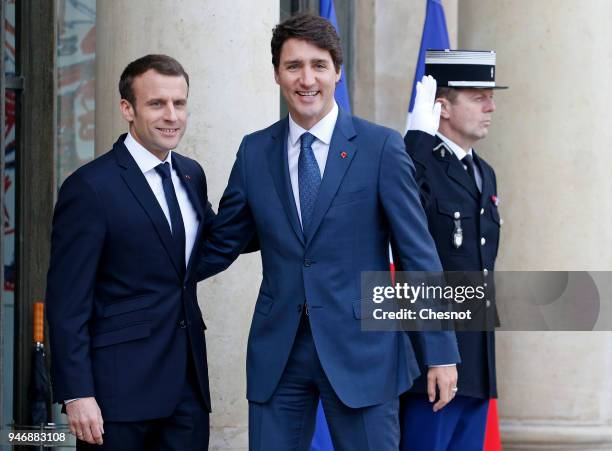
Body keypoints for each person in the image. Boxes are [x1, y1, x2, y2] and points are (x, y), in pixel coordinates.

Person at [197, 14, 460, 451]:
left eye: (318, 65)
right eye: (293, 65)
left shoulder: (381, 148)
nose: (307, 79)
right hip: (278, 355)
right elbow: (224, 241)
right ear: (278, 74)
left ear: (337, 72)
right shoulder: (255, 151)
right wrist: (152, 266)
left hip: (364, 352)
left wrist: (441, 351)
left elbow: (418, 254)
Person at [46, 54, 213, 450]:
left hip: (187, 393)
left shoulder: (191, 174)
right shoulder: (90, 188)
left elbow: (206, 247)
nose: (171, 115)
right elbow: (67, 302)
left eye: (179, 103)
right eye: (157, 103)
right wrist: (77, 394)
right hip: (115, 397)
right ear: (128, 109)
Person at [401, 49, 506, 451]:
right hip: (431, 364)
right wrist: (416, 142)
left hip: (475, 362)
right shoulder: (417, 162)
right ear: (442, 106)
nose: (490, 105)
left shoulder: (484, 172)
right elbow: (403, 222)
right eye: (478, 96)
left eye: (490, 95)